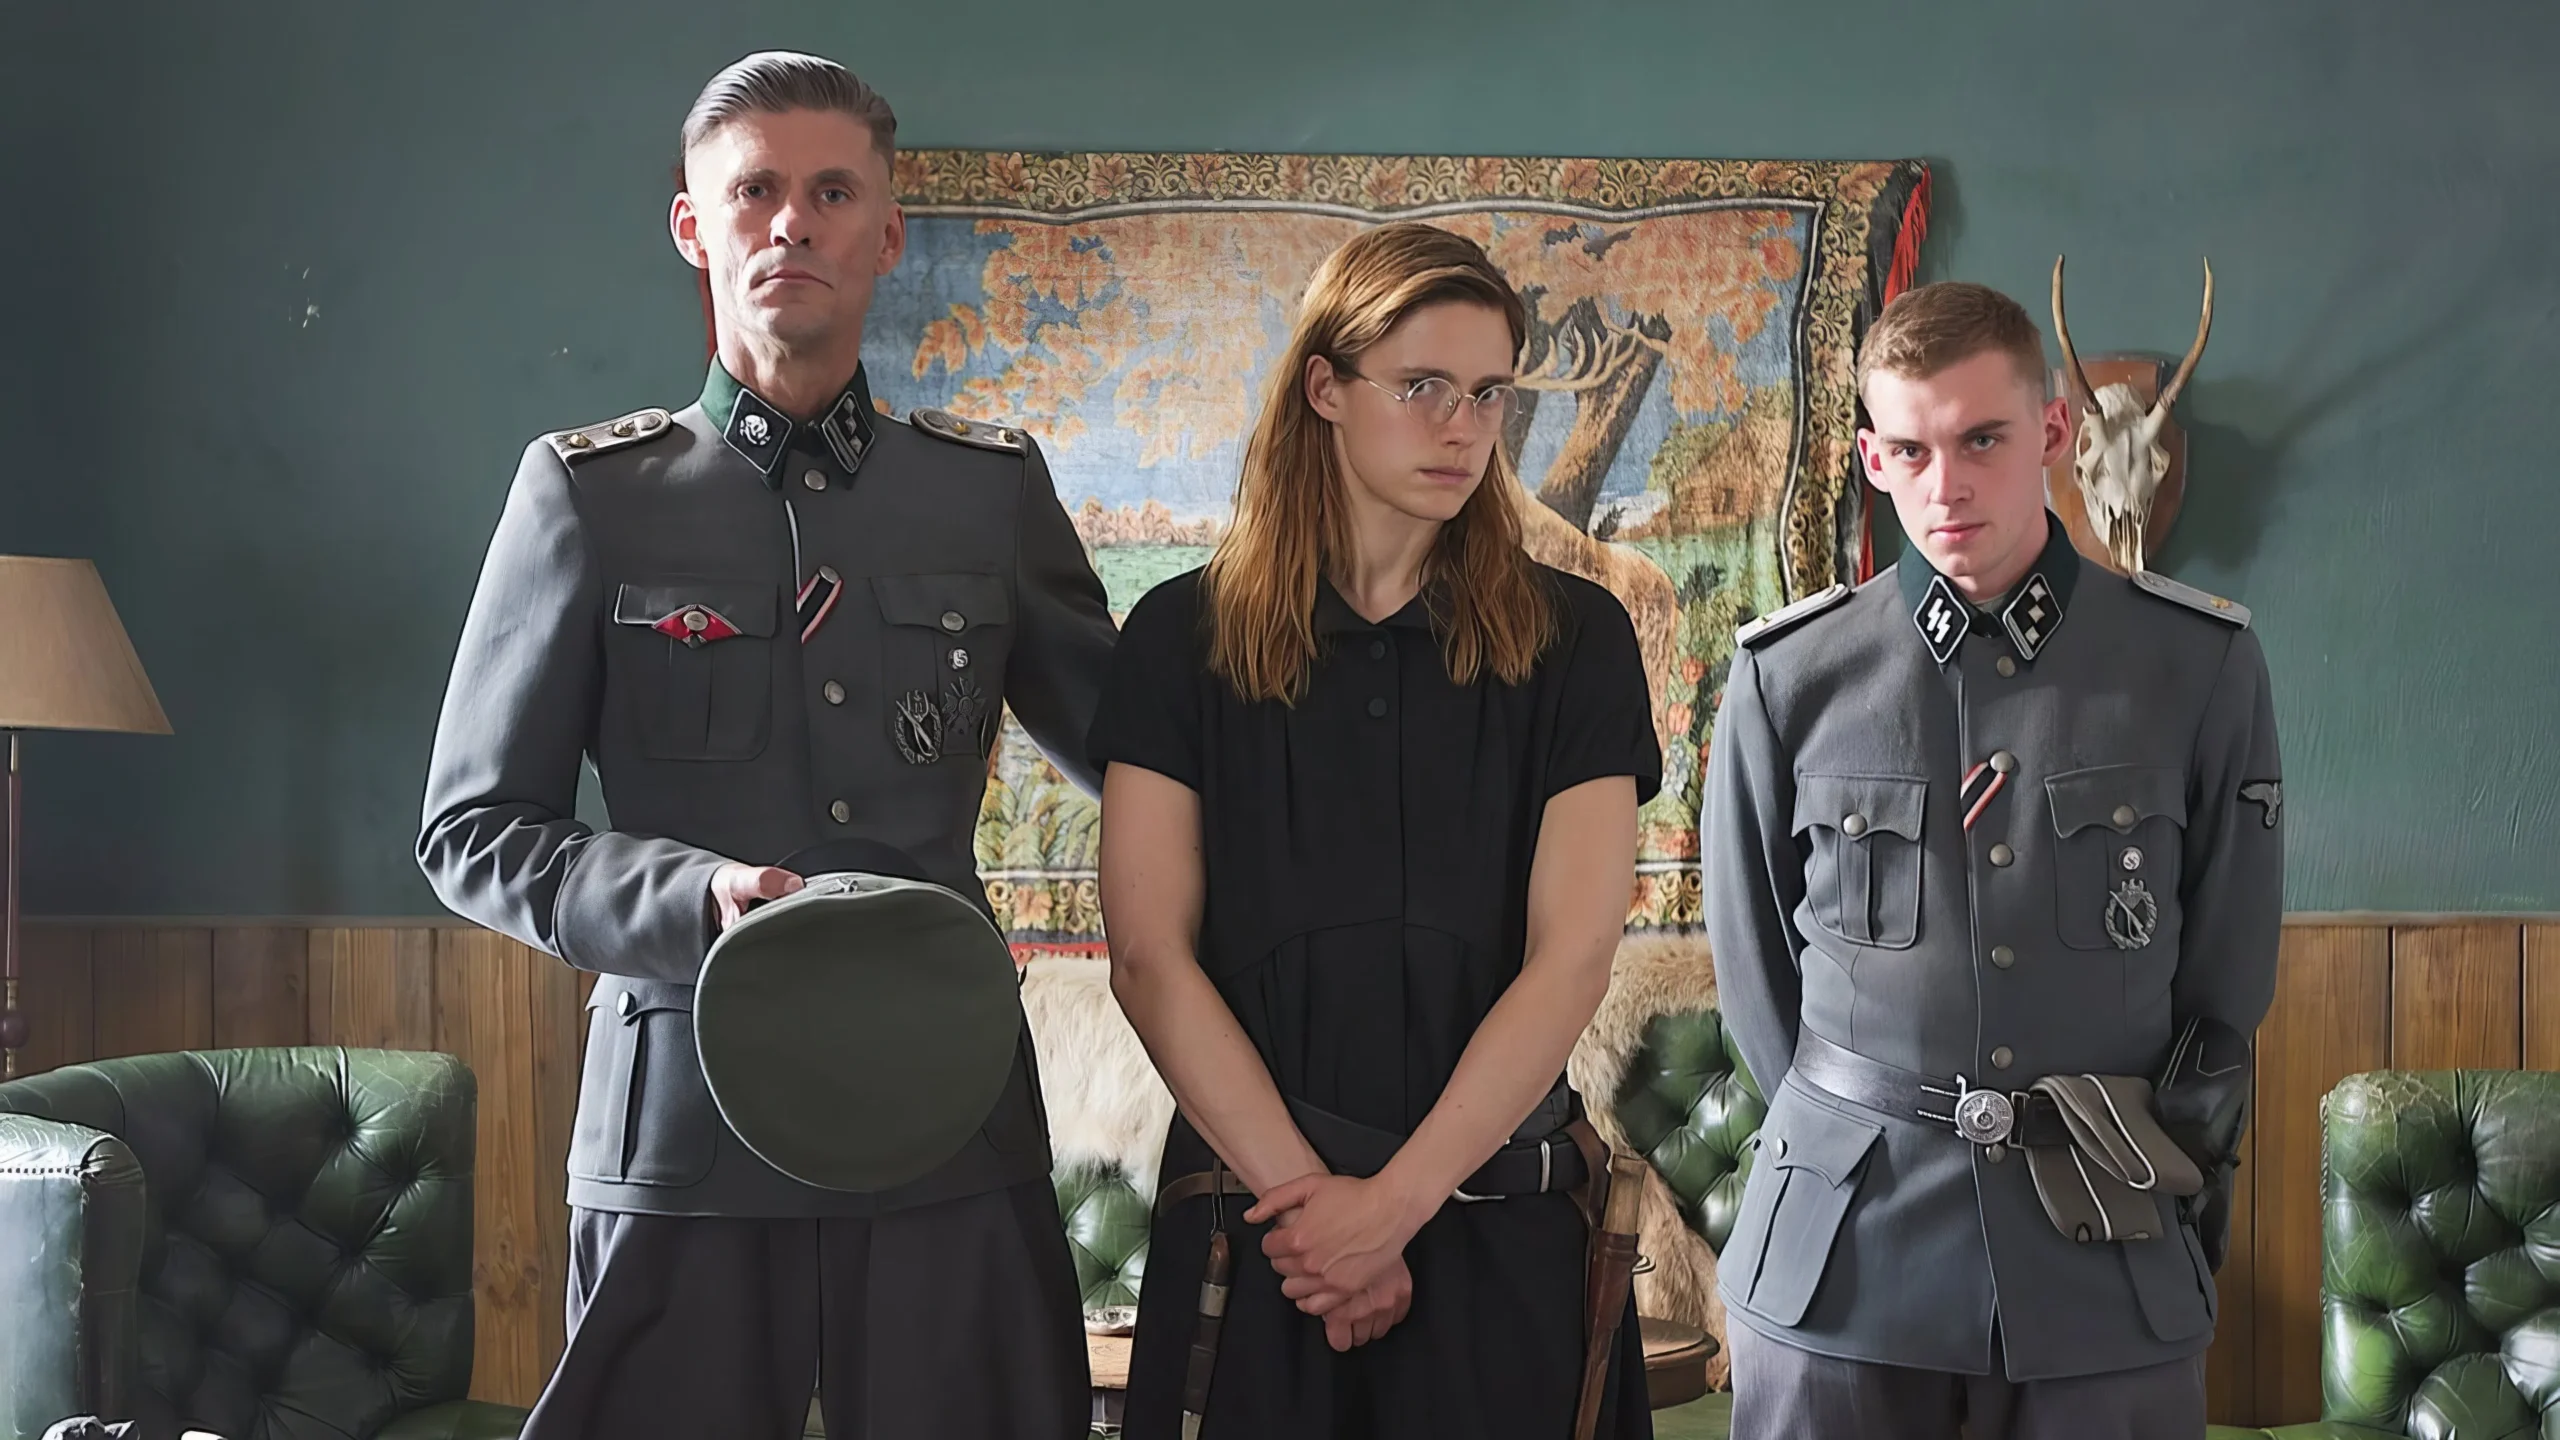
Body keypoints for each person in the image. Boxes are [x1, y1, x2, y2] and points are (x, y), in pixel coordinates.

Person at [414, 51, 1116, 1440]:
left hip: (948, 1122)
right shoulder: (587, 495)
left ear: (886, 234)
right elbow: (472, 832)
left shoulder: (985, 493)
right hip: (684, 1132)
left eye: (832, 192)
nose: (791, 222)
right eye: (754, 192)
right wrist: (695, 898)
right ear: (695, 225)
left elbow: (1146, 755)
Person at [1087, 221, 1661, 1440]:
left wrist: (1389, 1209)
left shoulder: (1578, 641)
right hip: (1258, 1236)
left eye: (1488, 394)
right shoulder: (1178, 639)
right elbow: (1147, 956)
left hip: (1504, 1226)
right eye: (1421, 388)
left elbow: (1572, 958)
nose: (1463, 427)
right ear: (1325, 388)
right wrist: (1319, 1219)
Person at [1700, 279, 2283, 1440]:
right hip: (1842, 1266)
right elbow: (1758, 983)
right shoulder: (1789, 676)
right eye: (1910, 451)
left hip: (2102, 1265)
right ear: (1871, 459)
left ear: (2052, 431)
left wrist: (2166, 1174)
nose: (1945, 485)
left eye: (1982, 440)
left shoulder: (2195, 666)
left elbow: (2224, 982)